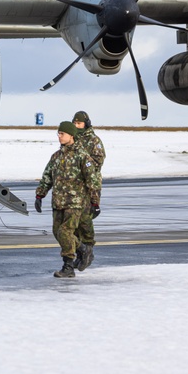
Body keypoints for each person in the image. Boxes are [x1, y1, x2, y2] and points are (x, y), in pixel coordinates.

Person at [35, 121, 101, 279]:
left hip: (75, 203)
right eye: (58, 133)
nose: (59, 136)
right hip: (58, 202)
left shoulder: (82, 156)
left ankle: (68, 266)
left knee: (65, 232)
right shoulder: (56, 156)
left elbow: (92, 181)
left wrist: (95, 202)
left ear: (71, 135)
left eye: (62, 134)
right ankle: (82, 249)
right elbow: (47, 177)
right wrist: (40, 195)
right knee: (57, 232)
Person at [72, 110, 106, 271]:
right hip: (75, 186)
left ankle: (88, 252)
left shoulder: (94, 140)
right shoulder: (73, 140)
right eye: (75, 124)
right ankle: (80, 253)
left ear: (86, 123)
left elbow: (98, 161)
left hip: (89, 186)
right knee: (74, 222)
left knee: (85, 222)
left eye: (79, 123)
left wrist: (83, 165)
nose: (76, 126)